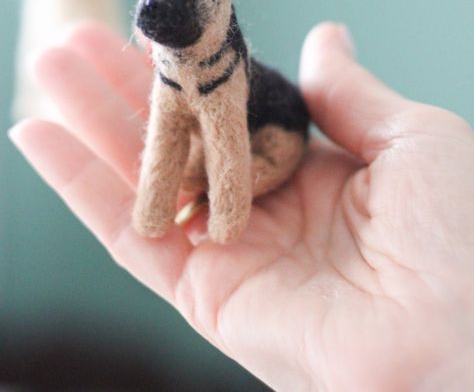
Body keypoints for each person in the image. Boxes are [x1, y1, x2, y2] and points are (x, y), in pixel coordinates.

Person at [8, 21, 474, 391]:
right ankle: (159, 207)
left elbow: (229, 146)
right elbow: (166, 135)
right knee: (168, 141)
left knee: (231, 161)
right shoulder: (170, 70)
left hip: (274, 138)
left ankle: (228, 212)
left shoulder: (225, 72)